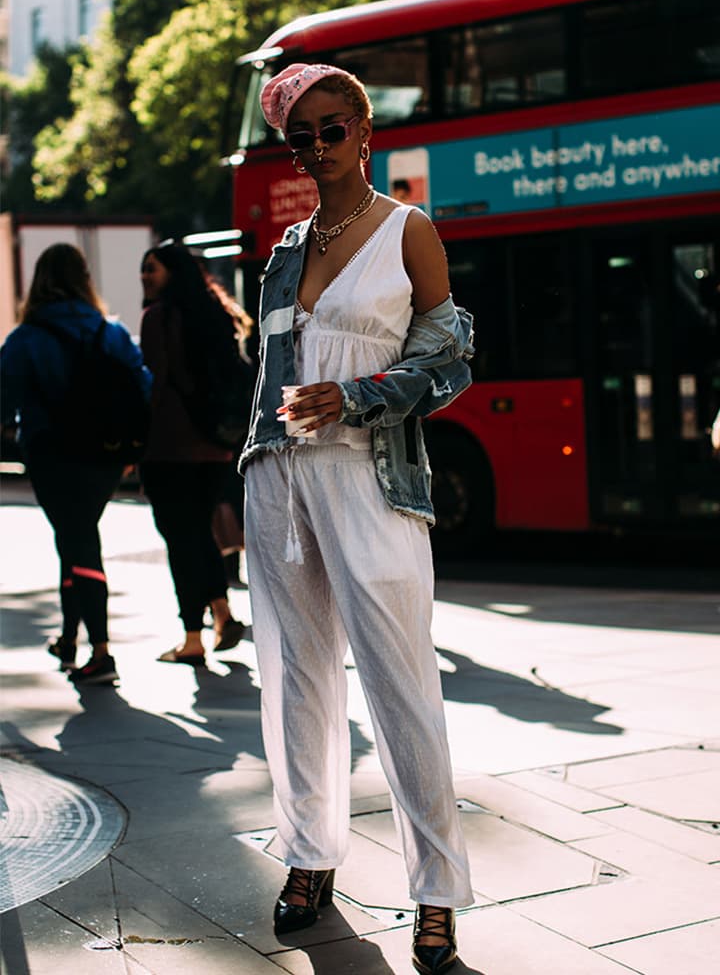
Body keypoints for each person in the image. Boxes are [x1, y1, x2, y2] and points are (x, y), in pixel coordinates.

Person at [239, 63, 474, 975]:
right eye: (301, 137)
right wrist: (253, 460)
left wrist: (360, 397)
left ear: (365, 131)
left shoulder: (407, 232)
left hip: (368, 479)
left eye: (332, 129)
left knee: (402, 686)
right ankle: (308, 856)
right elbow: (265, 378)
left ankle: (438, 895)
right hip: (278, 483)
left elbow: (452, 361)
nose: (317, 149)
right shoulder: (286, 247)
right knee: (295, 682)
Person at [0, 243, 152, 685]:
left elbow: (5, 397)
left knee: (78, 540)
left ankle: (101, 652)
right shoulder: (111, 333)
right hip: (104, 455)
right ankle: (69, 637)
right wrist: (130, 451)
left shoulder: (27, 338)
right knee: (74, 536)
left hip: (52, 456)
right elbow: (143, 388)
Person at [139, 240, 248, 665]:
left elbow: (152, 384)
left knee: (180, 539)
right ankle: (222, 613)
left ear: (173, 273)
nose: (146, 276)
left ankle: (192, 637)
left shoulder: (159, 318)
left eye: (153, 269)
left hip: (169, 446)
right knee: (199, 532)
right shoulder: (215, 314)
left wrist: (135, 441)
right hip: (216, 445)